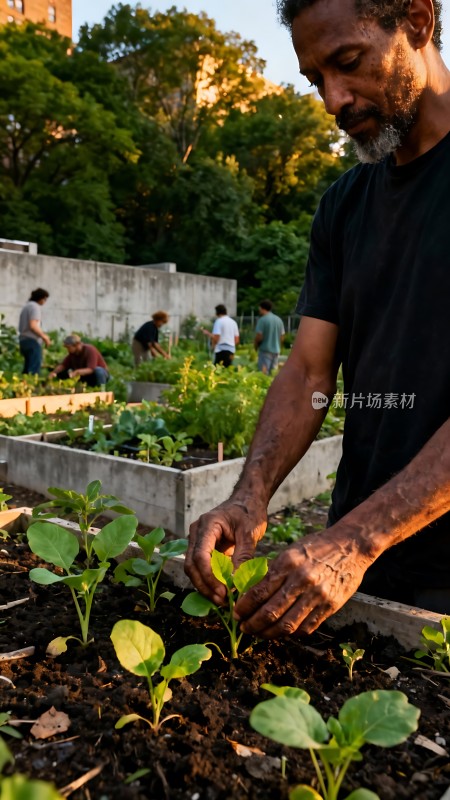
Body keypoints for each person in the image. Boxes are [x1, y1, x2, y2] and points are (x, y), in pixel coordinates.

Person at [185, 0, 450, 637]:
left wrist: (355, 541)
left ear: (417, 22)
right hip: (360, 563)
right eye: (315, 81)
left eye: (348, 63)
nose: (334, 101)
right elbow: (309, 371)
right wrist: (249, 496)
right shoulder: (343, 205)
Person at [18, 288, 51, 375]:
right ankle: (31, 386)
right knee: (34, 369)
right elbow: (33, 325)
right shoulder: (35, 307)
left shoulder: (26, 306)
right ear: (40, 298)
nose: (44, 301)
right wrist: (44, 337)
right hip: (32, 341)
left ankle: (23, 386)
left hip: (23, 340)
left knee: (27, 368)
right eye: (44, 299)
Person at [254, 300, 285, 375]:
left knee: (264, 373)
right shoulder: (278, 320)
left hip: (265, 350)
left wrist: (256, 345)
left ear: (262, 308)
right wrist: (279, 346)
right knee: (273, 373)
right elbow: (282, 336)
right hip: (276, 350)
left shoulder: (262, 320)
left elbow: (259, 336)